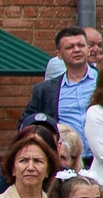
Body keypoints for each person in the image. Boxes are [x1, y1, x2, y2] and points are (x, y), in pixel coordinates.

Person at [21, 25, 98, 162]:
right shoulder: (45, 90)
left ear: (88, 49)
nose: (76, 50)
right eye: (70, 47)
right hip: (66, 161)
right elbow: (26, 124)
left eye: (81, 45)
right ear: (59, 55)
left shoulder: (100, 83)